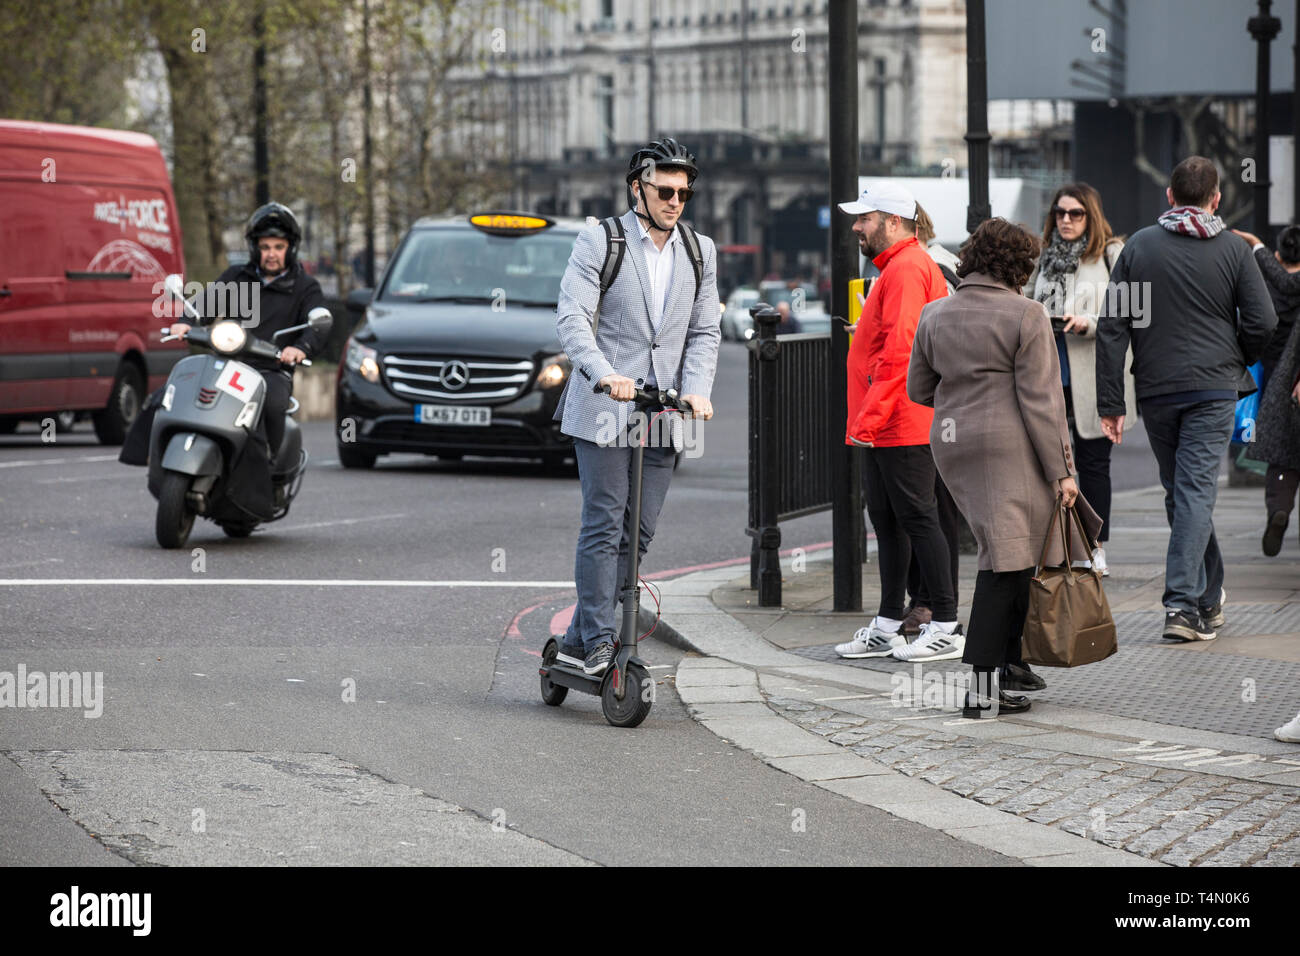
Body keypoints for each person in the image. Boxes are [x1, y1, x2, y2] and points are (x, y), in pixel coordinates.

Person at [554, 138, 720, 676]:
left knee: (638, 533)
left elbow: (704, 329)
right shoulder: (600, 241)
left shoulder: (700, 251)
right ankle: (602, 641)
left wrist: (698, 387)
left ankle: (577, 638)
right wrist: (604, 374)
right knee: (604, 524)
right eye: (665, 190)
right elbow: (573, 318)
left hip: (667, 412)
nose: (675, 201)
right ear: (637, 188)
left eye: (684, 192)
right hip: (605, 406)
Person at [908, 218, 1085, 716]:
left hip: (953, 443)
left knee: (1009, 552)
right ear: (1018, 265)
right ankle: (983, 689)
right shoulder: (1027, 315)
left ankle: (1011, 665)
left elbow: (918, 389)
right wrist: (1063, 471)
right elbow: (1043, 404)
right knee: (1003, 561)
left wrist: (961, 397)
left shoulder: (935, 313)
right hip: (1009, 447)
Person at [1096, 157, 1276, 642]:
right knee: (1191, 493)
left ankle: (1199, 599)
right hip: (1215, 389)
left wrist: (1111, 401)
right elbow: (1262, 322)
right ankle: (1185, 606)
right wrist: (1235, 357)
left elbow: (1114, 327)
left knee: (1184, 492)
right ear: (1216, 198)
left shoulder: (1139, 247)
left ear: (1170, 196)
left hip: (1158, 389)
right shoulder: (1234, 251)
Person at [833, 182, 960, 663]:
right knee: (890, 522)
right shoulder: (899, 267)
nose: (856, 228)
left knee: (916, 520)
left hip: (899, 422)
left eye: (864, 219)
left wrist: (869, 420)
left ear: (892, 221)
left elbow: (901, 354)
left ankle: (945, 623)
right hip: (892, 420)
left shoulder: (906, 268)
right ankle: (889, 623)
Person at [1026, 182, 1136, 577]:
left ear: (1091, 215)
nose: (1067, 220)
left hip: (1092, 372)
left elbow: (1131, 310)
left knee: (1092, 462)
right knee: (1048, 460)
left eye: (1076, 213)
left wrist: (1088, 322)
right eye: (1060, 213)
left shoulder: (1111, 254)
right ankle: (1055, 544)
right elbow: (1023, 300)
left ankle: (1095, 547)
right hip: (1048, 370)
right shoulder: (1041, 256)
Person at [168, 202, 325, 461]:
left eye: (278, 247)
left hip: (271, 369)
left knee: (274, 405)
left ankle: (269, 464)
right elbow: (207, 303)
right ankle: (161, 454)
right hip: (227, 364)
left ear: (291, 248)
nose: (271, 254)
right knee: (177, 388)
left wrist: (299, 348)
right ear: (254, 248)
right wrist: (186, 320)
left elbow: (316, 324)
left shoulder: (305, 287)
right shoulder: (236, 276)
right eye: (265, 247)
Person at [1235, 226, 1300, 555]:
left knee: (1282, 456)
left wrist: (1258, 248)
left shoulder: (1265, 286)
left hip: (1275, 383)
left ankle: (1279, 509)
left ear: (1279, 256)